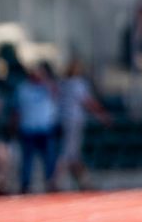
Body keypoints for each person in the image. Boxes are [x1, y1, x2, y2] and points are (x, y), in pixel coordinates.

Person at [51, 59, 107, 191]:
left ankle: (84, 183)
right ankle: (54, 181)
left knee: (75, 154)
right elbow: (87, 101)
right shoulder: (77, 83)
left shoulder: (63, 83)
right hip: (74, 120)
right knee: (69, 152)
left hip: (64, 119)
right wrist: (101, 115)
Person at [15, 64, 61, 194]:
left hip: (45, 129)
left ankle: (51, 183)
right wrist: (14, 126)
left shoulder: (47, 87)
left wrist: (45, 79)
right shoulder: (23, 89)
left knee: (49, 159)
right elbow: (17, 110)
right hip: (28, 129)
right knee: (27, 161)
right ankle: (25, 185)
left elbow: (57, 93)